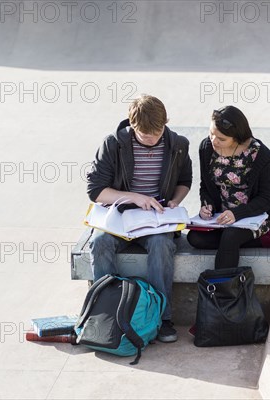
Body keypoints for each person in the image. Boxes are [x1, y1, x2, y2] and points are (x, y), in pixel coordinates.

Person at [86, 94, 193, 343]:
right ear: (133, 127)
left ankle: (161, 318)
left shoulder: (177, 144)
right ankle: (106, 316)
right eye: (146, 136)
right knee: (99, 243)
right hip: (119, 218)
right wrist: (134, 197)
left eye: (158, 133)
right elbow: (95, 190)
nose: (153, 139)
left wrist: (176, 200)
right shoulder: (113, 144)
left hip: (156, 220)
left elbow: (184, 181)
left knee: (162, 244)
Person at [187, 105, 270, 268]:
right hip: (221, 218)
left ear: (237, 137)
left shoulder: (260, 155)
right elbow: (205, 186)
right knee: (195, 238)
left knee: (230, 237)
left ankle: (222, 290)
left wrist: (237, 213)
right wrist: (207, 206)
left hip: (254, 216)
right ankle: (267, 239)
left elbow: (266, 199)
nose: (214, 140)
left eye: (221, 139)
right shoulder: (206, 148)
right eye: (211, 133)